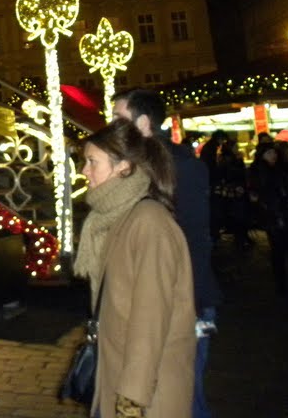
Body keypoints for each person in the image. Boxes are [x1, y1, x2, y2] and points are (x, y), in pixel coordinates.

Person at [74, 119, 196, 418]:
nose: (84, 170)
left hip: (145, 393)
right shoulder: (118, 217)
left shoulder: (148, 222)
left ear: (123, 167)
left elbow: (150, 318)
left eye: (92, 162)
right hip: (116, 373)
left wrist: (132, 399)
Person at [113, 89, 220, 418]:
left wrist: (193, 305)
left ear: (144, 123)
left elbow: (195, 241)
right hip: (148, 300)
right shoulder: (130, 168)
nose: (111, 125)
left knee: (184, 397)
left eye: (119, 119)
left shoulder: (183, 166)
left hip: (182, 301)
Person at [255, 142, 288, 295]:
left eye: (274, 152)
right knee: (278, 251)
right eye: (269, 153)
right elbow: (265, 196)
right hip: (274, 217)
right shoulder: (261, 171)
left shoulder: (280, 168)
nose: (273, 155)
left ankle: (282, 283)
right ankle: (281, 284)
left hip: (283, 214)